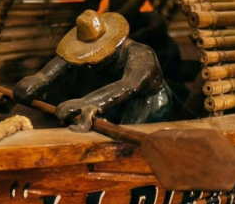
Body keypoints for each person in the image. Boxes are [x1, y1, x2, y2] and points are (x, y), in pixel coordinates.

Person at [13, 10, 171, 132]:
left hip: (145, 99)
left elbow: (127, 85)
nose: (93, 61)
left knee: (127, 137)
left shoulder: (141, 55)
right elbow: (65, 59)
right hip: (110, 95)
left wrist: (86, 102)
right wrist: (41, 78)